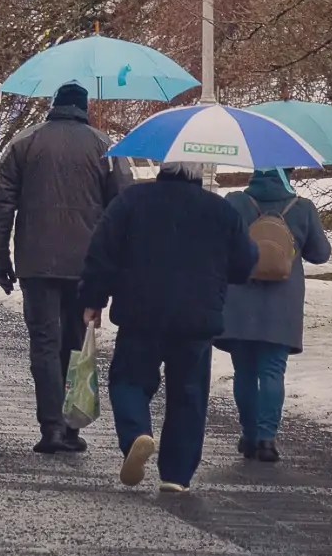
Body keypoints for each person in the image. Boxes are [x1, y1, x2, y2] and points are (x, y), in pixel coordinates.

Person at [80, 160, 257, 493]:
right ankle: (177, 474)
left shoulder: (132, 201)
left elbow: (102, 252)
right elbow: (244, 265)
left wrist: (93, 299)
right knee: (189, 393)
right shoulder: (221, 211)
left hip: (140, 312)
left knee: (129, 380)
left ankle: (136, 434)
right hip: (197, 318)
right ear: (197, 170)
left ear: (164, 166)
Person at [0, 80, 132, 454]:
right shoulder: (106, 148)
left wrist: (0, 256)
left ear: (54, 105)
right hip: (87, 266)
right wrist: (116, 268)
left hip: (35, 262)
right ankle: (70, 426)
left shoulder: (24, 142)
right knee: (76, 343)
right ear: (83, 108)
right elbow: (123, 210)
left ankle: (50, 427)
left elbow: (1, 203)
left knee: (44, 343)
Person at [217, 168, 331, 464]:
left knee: (244, 372)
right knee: (272, 371)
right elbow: (320, 254)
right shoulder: (302, 208)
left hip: (240, 300)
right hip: (283, 305)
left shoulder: (235, 202)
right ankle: (267, 439)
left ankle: (249, 434)